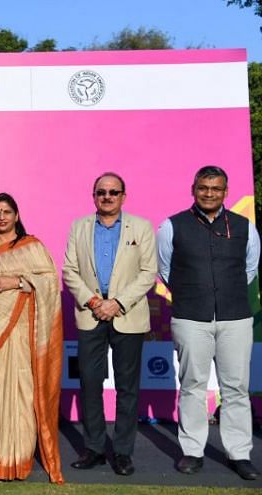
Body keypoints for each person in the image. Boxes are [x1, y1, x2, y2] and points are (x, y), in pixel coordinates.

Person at [158, 165, 260, 481]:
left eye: (216, 188)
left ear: (225, 192)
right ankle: (192, 451)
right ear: (194, 189)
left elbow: (250, 269)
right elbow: (165, 270)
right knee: (192, 385)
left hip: (235, 317)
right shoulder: (171, 226)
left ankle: (239, 453)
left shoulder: (245, 226)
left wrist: (223, 292)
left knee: (236, 388)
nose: (209, 193)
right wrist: (193, 293)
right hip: (190, 317)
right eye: (204, 187)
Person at [0, 192, 64, 484]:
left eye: (7, 212)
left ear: (17, 215)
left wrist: (18, 282)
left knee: (21, 394)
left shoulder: (31, 246)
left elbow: (49, 281)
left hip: (22, 334)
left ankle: (18, 460)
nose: (2, 217)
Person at [62, 172, 157, 476]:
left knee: (127, 388)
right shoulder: (79, 227)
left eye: (113, 192)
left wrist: (117, 303)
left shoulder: (140, 227)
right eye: (101, 192)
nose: (107, 197)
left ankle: (123, 452)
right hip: (90, 316)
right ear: (94, 196)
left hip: (127, 315)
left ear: (123, 197)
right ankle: (93, 449)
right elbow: (69, 270)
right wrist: (93, 302)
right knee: (90, 383)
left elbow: (148, 272)